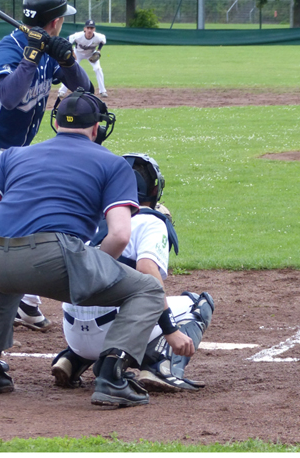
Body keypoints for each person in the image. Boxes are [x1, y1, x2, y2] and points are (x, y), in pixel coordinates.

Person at [0, 89, 189, 408]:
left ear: (56, 124)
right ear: (97, 128)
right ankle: (112, 376)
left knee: (6, 278)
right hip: (53, 255)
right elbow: (120, 235)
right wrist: (93, 267)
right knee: (147, 289)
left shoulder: (14, 155)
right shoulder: (112, 163)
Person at [0, 0, 94, 346]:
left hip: (14, 154)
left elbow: (86, 93)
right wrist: (29, 59)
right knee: (10, 220)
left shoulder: (49, 49)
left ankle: (27, 304)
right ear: (57, 21)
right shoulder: (7, 50)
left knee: (36, 214)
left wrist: (67, 61)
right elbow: (10, 96)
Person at [51, 153, 214, 393]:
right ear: (153, 188)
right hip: (114, 332)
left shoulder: (84, 215)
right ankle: (162, 365)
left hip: (74, 330)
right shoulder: (150, 221)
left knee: (97, 290)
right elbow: (147, 272)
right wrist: (170, 330)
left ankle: (73, 359)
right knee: (197, 304)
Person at [58, 19, 108, 98]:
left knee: (97, 69)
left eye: (91, 28)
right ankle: (61, 91)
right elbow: (68, 40)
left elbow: (103, 41)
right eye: (88, 28)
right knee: (70, 70)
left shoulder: (99, 37)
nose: (89, 30)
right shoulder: (78, 35)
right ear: (84, 29)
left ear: (94, 29)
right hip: (77, 53)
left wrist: (98, 51)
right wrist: (72, 52)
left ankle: (103, 91)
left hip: (91, 54)